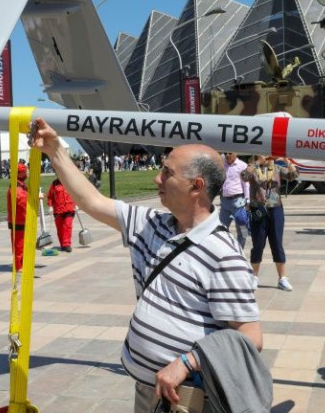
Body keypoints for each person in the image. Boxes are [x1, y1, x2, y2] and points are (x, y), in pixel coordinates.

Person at [29, 118, 261, 411]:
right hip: (149, 390)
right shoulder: (151, 224)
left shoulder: (224, 254)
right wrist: (55, 151)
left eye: (167, 173)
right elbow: (91, 200)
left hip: (188, 398)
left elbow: (251, 338)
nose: (157, 179)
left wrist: (187, 363)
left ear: (196, 186)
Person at [242, 155, 298, 291]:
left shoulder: (277, 168)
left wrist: (287, 161)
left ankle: (282, 278)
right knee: (258, 244)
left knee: (277, 243)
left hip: (275, 208)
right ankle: (254, 277)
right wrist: (257, 163)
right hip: (259, 210)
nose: (266, 156)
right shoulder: (253, 168)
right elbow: (244, 176)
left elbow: (293, 175)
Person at [219, 152, 250, 251]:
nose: (228, 155)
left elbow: (246, 184)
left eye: (230, 153)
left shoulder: (242, 165)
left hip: (238, 200)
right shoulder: (222, 165)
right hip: (225, 201)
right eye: (226, 153)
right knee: (221, 228)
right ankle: (224, 250)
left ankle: (240, 250)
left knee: (242, 228)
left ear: (236, 153)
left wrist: (248, 201)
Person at [7, 163, 28, 270]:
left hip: (22, 219)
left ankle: (22, 264)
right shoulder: (16, 187)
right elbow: (22, 201)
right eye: (25, 172)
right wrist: (33, 197)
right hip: (19, 221)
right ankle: (19, 266)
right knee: (19, 245)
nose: (26, 174)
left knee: (22, 244)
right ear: (19, 174)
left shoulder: (21, 185)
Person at [47, 176, 76, 253]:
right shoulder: (55, 183)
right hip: (58, 210)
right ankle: (63, 244)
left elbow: (75, 194)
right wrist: (50, 206)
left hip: (69, 208)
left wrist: (76, 204)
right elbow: (50, 196)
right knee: (60, 228)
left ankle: (67, 244)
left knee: (67, 226)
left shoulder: (70, 182)